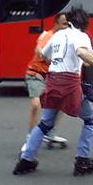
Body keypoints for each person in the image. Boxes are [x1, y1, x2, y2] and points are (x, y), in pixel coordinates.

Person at [13, 6, 93, 176]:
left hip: (52, 80)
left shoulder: (57, 35)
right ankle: (82, 160)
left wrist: (60, 60)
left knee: (45, 123)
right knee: (91, 119)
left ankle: (26, 159)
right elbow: (82, 53)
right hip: (70, 82)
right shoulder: (81, 36)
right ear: (84, 23)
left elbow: (44, 54)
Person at [21, 13, 68, 152]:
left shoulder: (67, 39)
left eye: (67, 24)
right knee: (36, 104)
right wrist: (50, 59)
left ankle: (48, 132)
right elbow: (38, 50)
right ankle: (30, 138)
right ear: (56, 24)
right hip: (36, 74)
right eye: (63, 24)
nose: (65, 27)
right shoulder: (48, 35)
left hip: (52, 77)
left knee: (62, 103)